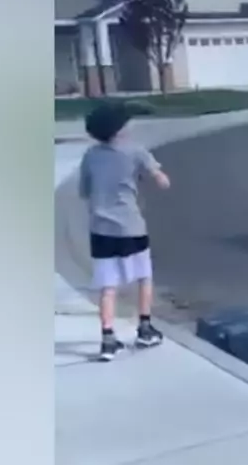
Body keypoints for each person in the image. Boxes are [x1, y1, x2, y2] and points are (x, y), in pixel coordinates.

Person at [79, 102, 171, 361]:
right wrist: (154, 177)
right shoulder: (135, 151)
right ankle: (144, 328)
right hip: (130, 226)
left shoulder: (91, 155)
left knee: (107, 286)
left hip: (100, 229)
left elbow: (84, 192)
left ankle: (108, 339)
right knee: (144, 277)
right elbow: (162, 180)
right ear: (119, 130)